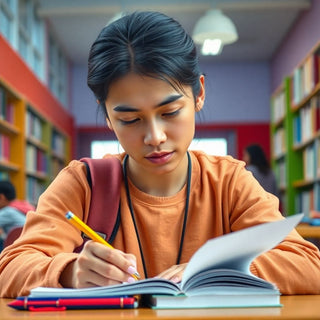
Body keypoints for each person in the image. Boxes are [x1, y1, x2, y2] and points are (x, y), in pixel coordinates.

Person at [0, 11, 320, 298]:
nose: (155, 137)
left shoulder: (228, 181)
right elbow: (11, 268)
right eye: (130, 119)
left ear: (199, 95)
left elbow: (307, 263)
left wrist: (212, 275)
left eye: (169, 111)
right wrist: (68, 272)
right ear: (108, 117)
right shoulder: (83, 183)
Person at [0, 181, 33, 251]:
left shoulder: (8, 211)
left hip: (20, 247)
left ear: (1, 197)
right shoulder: (24, 206)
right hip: (32, 246)